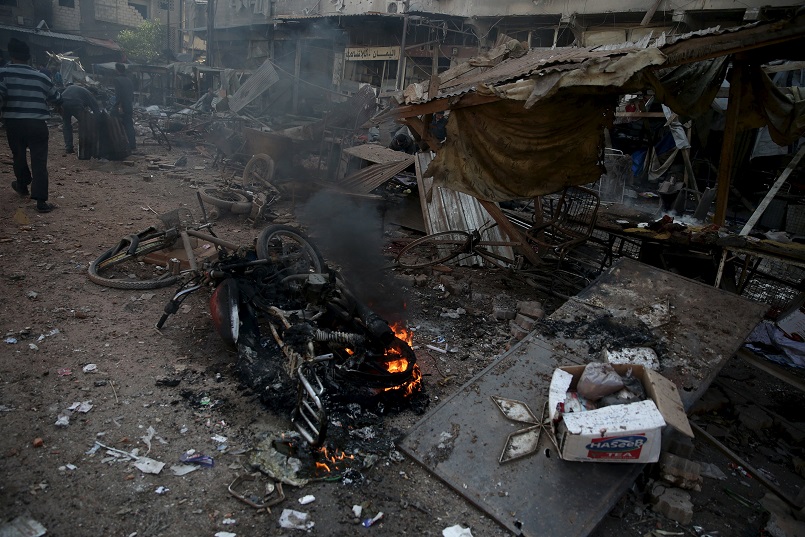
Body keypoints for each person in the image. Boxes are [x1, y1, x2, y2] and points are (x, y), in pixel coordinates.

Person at [0, 38, 62, 213]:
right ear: (29, 57)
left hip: (14, 123)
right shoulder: (42, 77)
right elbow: (57, 99)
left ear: (11, 55)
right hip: (37, 124)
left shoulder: (4, 74)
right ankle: (41, 201)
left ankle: (23, 183)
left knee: (18, 156)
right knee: (39, 162)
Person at [60, 84, 99, 154]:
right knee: (84, 123)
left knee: (66, 125)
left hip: (62, 103)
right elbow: (95, 107)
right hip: (75, 103)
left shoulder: (79, 89)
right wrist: (98, 119)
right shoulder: (89, 93)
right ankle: (85, 146)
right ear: (93, 93)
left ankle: (68, 148)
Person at [112, 62, 136, 151]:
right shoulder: (129, 80)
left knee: (113, 123)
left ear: (117, 70)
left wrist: (118, 107)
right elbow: (131, 95)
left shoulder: (117, 80)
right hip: (129, 105)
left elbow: (119, 95)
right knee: (129, 125)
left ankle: (117, 145)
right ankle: (133, 145)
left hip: (121, 106)